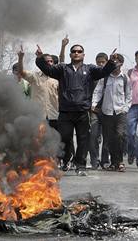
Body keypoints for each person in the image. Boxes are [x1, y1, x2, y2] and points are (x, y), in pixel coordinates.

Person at [36, 44, 116, 176]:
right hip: (65, 112)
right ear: (70, 55)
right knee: (65, 137)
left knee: (83, 140)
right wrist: (40, 58)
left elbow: (103, 72)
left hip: (82, 111)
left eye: (79, 51)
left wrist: (111, 61)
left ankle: (80, 166)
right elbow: (48, 69)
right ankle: (66, 160)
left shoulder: (90, 69)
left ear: (83, 54)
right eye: (74, 51)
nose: (76, 53)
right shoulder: (62, 69)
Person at [92, 54, 131, 172]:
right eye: (113, 61)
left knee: (119, 135)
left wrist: (125, 108)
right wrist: (93, 104)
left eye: (118, 62)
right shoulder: (104, 78)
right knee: (110, 138)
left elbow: (129, 96)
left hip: (120, 112)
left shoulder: (125, 78)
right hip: (107, 111)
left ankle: (119, 161)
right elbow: (98, 92)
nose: (115, 64)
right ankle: (114, 163)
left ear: (121, 64)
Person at [89, 52, 110, 169]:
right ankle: (94, 160)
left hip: (108, 111)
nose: (101, 64)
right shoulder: (92, 76)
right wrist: (90, 107)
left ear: (107, 62)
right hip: (94, 111)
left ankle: (105, 160)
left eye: (103, 62)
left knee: (107, 137)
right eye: (99, 62)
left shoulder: (110, 76)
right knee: (93, 136)